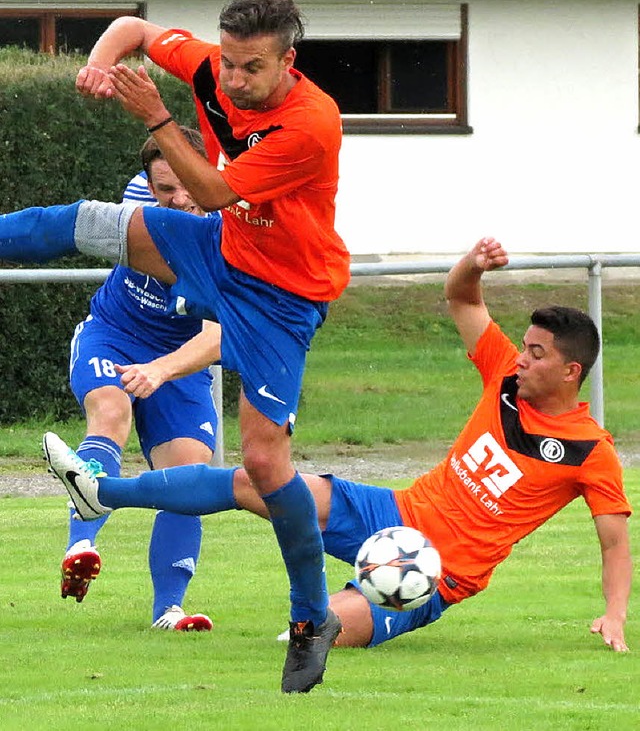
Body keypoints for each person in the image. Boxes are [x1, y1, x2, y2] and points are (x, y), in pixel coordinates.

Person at [1, 0, 350, 693]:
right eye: (227, 62)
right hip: (221, 251)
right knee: (88, 222)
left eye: (252, 69)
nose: (234, 80)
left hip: (284, 296)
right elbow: (130, 27)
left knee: (263, 466)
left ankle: (313, 616)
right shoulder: (209, 68)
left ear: (289, 62)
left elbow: (217, 190)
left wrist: (155, 119)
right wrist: (98, 68)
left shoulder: (313, 122)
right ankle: (105, 501)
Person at [44, 237, 632, 653]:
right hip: (396, 511)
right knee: (258, 481)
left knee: (313, 631)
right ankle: (104, 493)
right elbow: (462, 299)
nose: (523, 359)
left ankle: (330, 620)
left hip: (437, 572)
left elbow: (612, 544)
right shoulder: (504, 374)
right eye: (524, 347)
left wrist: (613, 613)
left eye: (538, 354)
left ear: (570, 371)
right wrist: (473, 264)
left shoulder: (591, 451)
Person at [61, 126, 222, 633]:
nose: (176, 200)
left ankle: (168, 610)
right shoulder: (140, 200)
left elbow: (220, 334)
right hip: (113, 335)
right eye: (163, 189)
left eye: (186, 186)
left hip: (180, 358)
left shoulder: (232, 222)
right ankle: (80, 546)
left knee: (189, 476)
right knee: (112, 410)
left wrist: (163, 368)